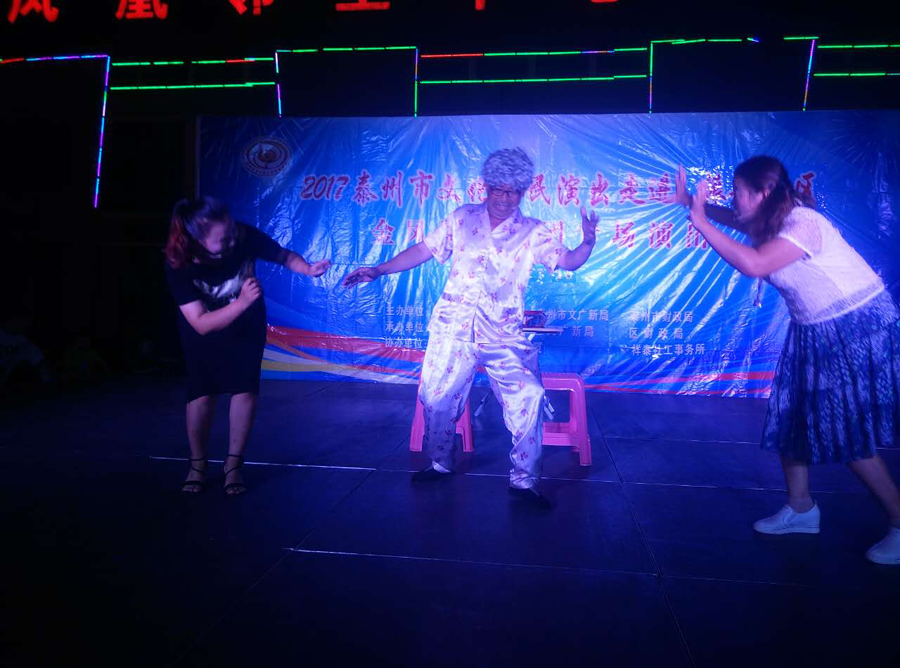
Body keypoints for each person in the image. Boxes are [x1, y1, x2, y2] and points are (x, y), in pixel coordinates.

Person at [343, 148, 598, 508]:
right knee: (436, 397)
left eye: (513, 192)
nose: (505, 198)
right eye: (499, 189)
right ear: (487, 186)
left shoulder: (532, 231)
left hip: (504, 333)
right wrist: (379, 269)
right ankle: (440, 462)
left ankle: (524, 481)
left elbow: (568, 261)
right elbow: (423, 250)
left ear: (523, 192)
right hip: (453, 327)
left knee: (529, 397)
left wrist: (587, 241)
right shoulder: (462, 218)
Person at [676, 156, 900, 564]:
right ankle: (801, 508)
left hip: (854, 326)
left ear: (763, 193)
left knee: (845, 429)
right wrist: (691, 203)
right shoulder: (771, 219)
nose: (733, 199)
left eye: (738, 192)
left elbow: (755, 264)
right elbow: (735, 220)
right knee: (791, 415)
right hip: (813, 328)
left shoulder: (802, 223)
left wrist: (701, 221)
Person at [164, 197, 331, 495]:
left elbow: (283, 255)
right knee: (202, 393)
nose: (232, 241)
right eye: (223, 239)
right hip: (205, 331)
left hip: (246, 327)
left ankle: (233, 465)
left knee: (245, 389)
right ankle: (197, 464)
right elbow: (200, 323)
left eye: (232, 233)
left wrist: (307, 269)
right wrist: (241, 302)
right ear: (197, 240)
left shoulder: (241, 235)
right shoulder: (179, 262)